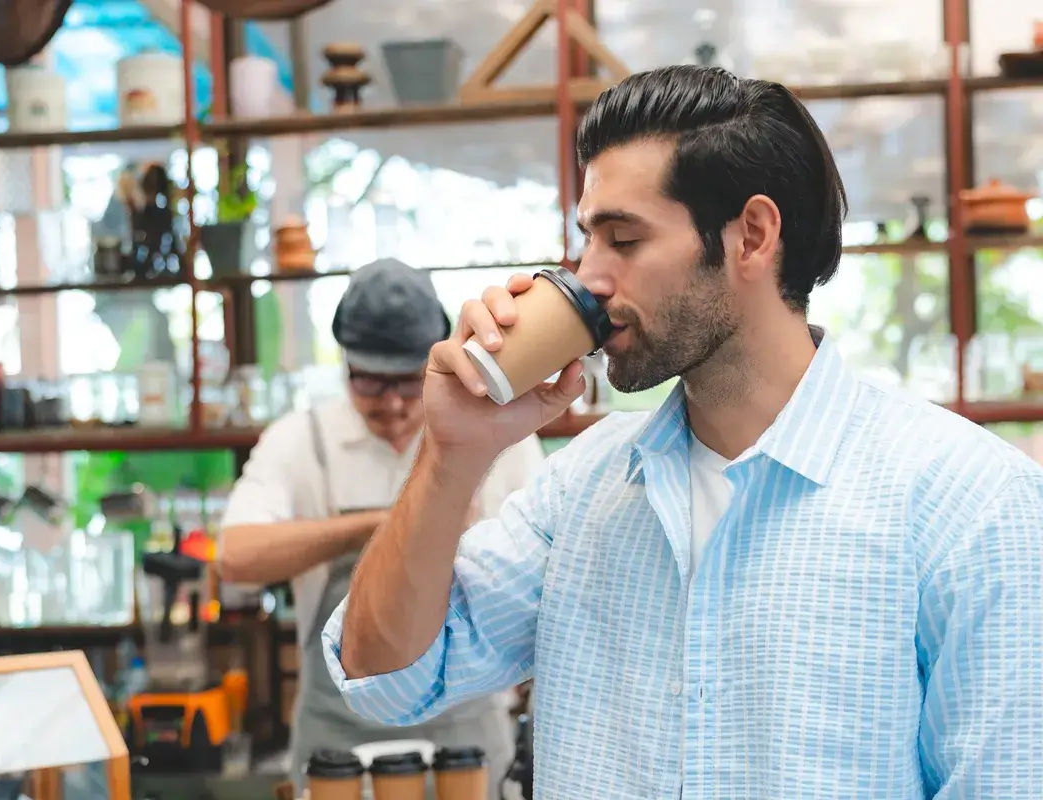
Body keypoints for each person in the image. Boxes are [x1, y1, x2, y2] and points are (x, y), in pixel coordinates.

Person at [320, 65, 1043, 798]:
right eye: (586, 240)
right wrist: (453, 454)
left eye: (622, 240)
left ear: (751, 237)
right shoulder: (581, 489)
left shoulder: (972, 503)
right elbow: (384, 680)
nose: (586, 277)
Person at [219, 258, 544, 794]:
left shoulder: (493, 432)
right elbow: (236, 557)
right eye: (370, 382)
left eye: (406, 381)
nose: (391, 404)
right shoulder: (302, 441)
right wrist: (387, 526)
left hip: (467, 735)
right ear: (344, 364)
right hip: (336, 739)